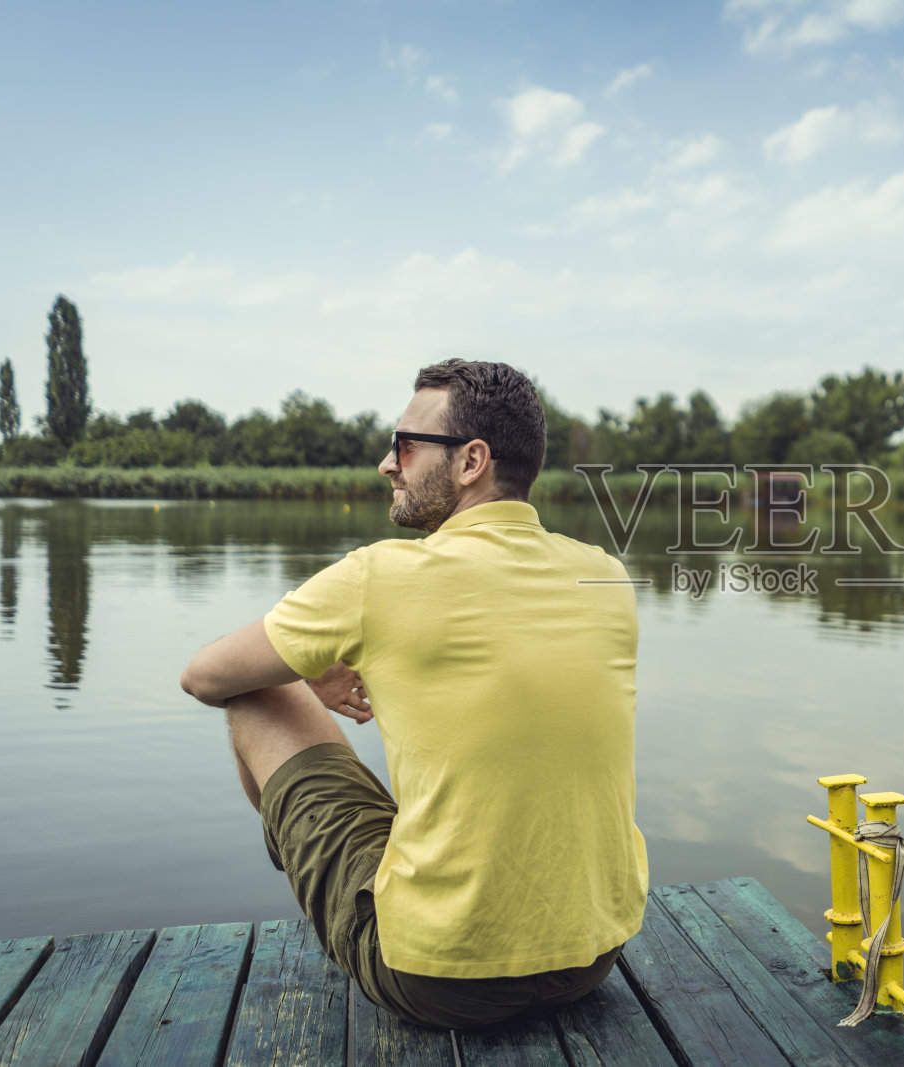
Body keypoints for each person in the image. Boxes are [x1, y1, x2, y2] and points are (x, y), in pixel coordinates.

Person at [179, 359, 647, 1028]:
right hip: (592, 955)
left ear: (471, 461)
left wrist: (304, 669)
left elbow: (203, 675)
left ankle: (333, 892)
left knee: (255, 693)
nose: (385, 464)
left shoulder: (379, 576)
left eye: (404, 445)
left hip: (439, 978)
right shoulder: (605, 576)